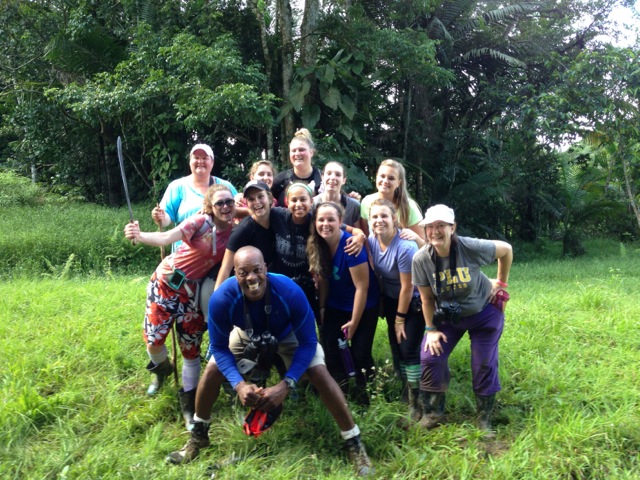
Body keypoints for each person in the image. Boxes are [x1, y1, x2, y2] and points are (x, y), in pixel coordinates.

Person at [166, 247, 374, 476]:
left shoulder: (289, 291)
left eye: (257, 270)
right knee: (213, 368)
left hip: (289, 335)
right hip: (246, 333)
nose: (252, 278)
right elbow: (218, 347)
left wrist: (286, 385)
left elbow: (308, 343)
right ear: (235, 273)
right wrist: (239, 384)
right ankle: (198, 435)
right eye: (244, 273)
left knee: (320, 373)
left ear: (266, 268)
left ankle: (354, 441)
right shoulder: (222, 298)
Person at [123, 185, 235, 429]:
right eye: (219, 203)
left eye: (229, 202)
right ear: (210, 207)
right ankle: (162, 369)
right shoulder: (199, 222)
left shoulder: (236, 228)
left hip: (192, 295)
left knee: (190, 351)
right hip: (165, 283)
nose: (225, 207)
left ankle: (189, 404)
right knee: (154, 340)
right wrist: (140, 236)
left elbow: (255, 213)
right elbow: (166, 237)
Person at [411, 204, 513, 435]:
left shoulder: (469, 247)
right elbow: (426, 299)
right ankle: (433, 413)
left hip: (484, 312)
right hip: (449, 318)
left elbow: (506, 249)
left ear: (452, 227)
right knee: (430, 355)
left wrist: (501, 283)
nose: (435, 231)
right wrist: (430, 330)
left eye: (441, 226)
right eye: (430, 227)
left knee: (484, 362)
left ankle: (484, 418)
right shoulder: (421, 259)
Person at [151, 143, 238, 317]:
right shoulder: (178, 186)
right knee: (180, 309)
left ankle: (213, 340)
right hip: (186, 262)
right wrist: (161, 217)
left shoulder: (224, 187)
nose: (200, 162)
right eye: (196, 158)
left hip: (216, 262)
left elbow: (236, 212)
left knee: (206, 312)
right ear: (190, 161)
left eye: (205, 158)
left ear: (212, 162)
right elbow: (168, 217)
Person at [307, 202, 379, 404]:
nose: (325, 224)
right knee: (330, 347)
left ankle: (369, 393)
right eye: (321, 219)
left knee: (360, 351)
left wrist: (354, 322)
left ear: (340, 222)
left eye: (331, 219)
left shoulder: (351, 246)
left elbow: (362, 288)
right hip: (336, 304)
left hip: (363, 304)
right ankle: (340, 392)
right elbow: (324, 279)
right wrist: (322, 307)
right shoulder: (318, 244)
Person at [367, 199, 423, 422]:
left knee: (408, 348)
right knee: (395, 345)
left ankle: (416, 400)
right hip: (391, 298)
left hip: (414, 301)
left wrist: (400, 318)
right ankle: (404, 388)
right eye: (374, 217)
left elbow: (408, 286)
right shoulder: (372, 239)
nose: (379, 220)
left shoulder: (405, 246)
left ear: (394, 219)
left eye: (384, 216)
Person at [360, 159, 425, 246]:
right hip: (374, 256)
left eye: (391, 178)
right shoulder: (366, 202)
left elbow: (425, 245)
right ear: (376, 177)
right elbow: (365, 237)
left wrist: (416, 238)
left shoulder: (409, 206)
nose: (385, 181)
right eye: (382, 176)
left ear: (399, 182)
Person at [271, 128, 323, 206]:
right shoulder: (279, 181)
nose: (297, 153)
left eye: (301, 150)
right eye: (293, 150)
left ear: (311, 152)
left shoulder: (323, 179)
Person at [313, 161, 364, 229]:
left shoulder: (353, 206)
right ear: (322, 177)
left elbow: (359, 234)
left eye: (337, 175)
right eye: (329, 173)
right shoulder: (312, 204)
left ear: (344, 180)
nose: (333, 177)